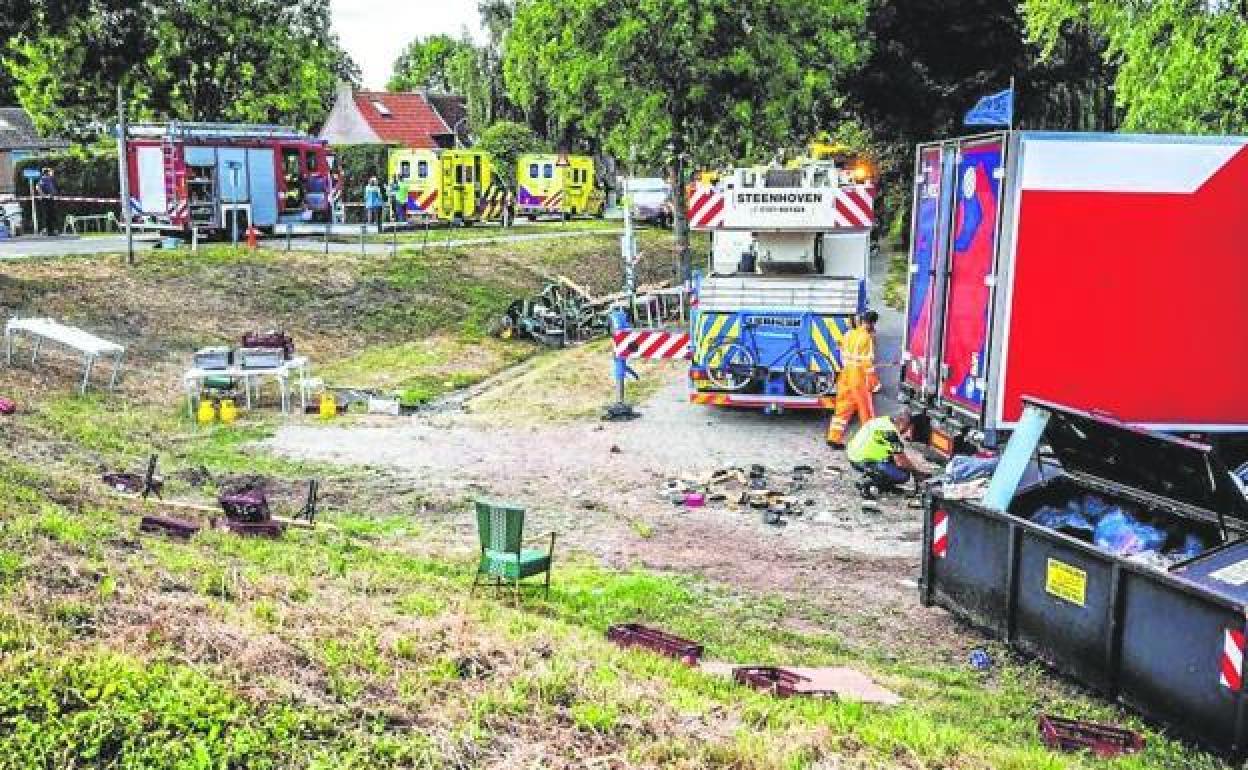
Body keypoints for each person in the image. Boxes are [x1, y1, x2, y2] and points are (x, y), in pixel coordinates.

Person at [826, 310, 880, 448]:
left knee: (842, 408)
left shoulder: (849, 334)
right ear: (872, 323)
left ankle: (833, 438)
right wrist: (875, 383)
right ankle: (870, 442)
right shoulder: (867, 338)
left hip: (845, 374)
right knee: (865, 410)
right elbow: (868, 363)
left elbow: (841, 352)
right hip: (859, 376)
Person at [847, 411, 924, 497]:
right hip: (862, 460)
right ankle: (868, 483)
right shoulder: (891, 434)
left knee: (892, 461)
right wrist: (917, 473)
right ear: (903, 423)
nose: (908, 432)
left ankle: (882, 484)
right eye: (909, 428)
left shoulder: (882, 421)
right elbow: (901, 462)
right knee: (903, 475)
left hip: (853, 454)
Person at [35, 167, 58, 236]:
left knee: (51, 215)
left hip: (50, 199)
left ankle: (51, 230)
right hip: (45, 200)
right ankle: (47, 230)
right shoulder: (43, 179)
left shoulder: (50, 179)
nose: (50, 173)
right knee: (47, 215)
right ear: (46, 173)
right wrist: (44, 195)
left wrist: (52, 195)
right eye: (49, 172)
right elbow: (38, 187)